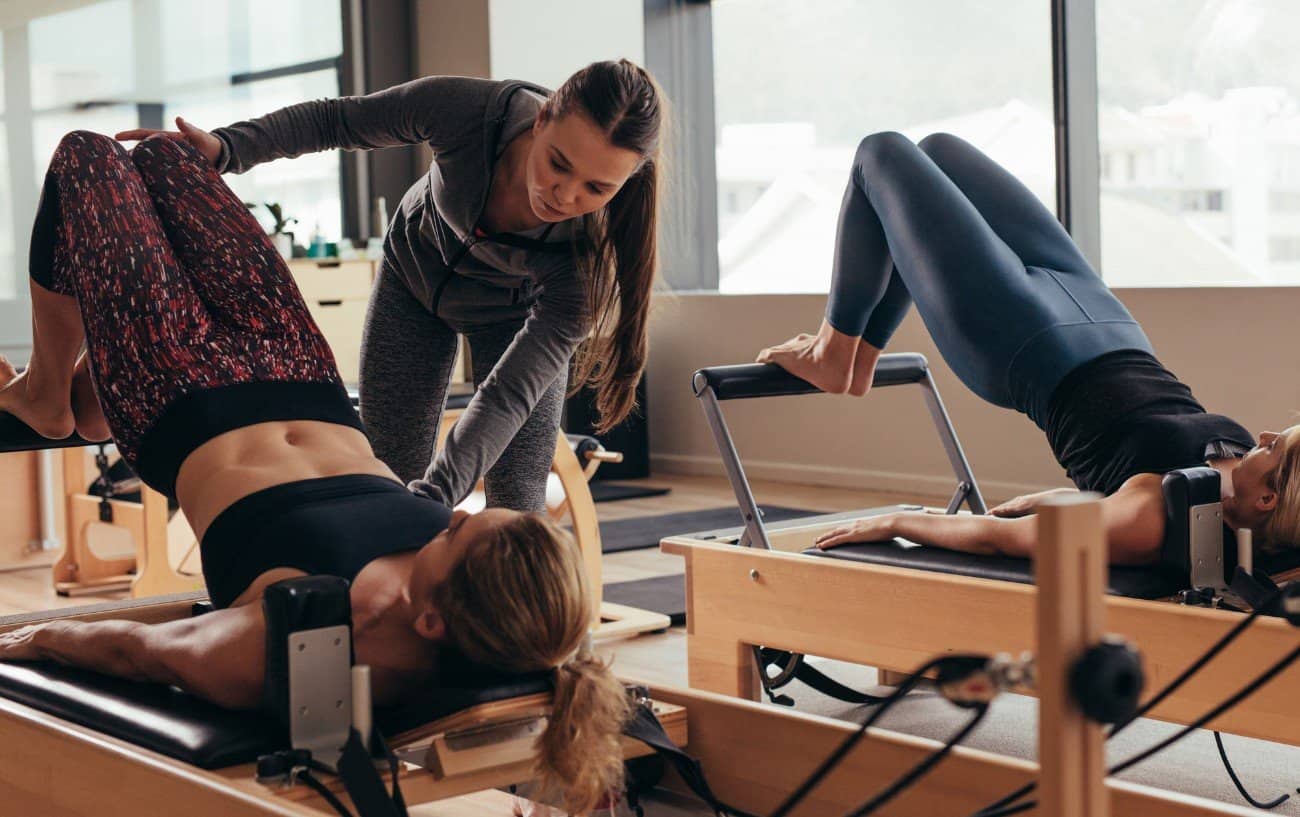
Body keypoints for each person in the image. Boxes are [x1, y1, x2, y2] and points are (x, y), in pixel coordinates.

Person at [0, 131, 626, 815]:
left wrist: (43, 637)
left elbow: (142, 649)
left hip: (180, 398)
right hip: (303, 373)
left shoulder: (303, 640)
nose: (446, 515)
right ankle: (90, 395)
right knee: (165, 159)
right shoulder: (494, 594)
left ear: (430, 624)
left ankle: (50, 394)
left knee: (87, 156)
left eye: (453, 536)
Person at [114, 58, 666, 515]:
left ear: (626, 180)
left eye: (596, 186)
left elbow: (505, 396)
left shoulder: (588, 258)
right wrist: (229, 149)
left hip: (515, 317)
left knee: (516, 506)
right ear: (542, 120)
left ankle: (522, 642)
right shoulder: (470, 112)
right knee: (385, 473)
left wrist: (437, 497)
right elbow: (338, 121)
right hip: (412, 281)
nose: (564, 195)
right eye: (558, 164)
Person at [756, 131, 1299, 564]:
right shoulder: (1233, 473)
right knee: (941, 152)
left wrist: (898, 522)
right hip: (1102, 317)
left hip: (1022, 347)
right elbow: (1113, 489)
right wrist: (1060, 499)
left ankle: (834, 355)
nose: (1267, 434)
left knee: (881, 154)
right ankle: (857, 361)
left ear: (1269, 500)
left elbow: (1004, 540)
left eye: (1277, 448)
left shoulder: (1158, 518)